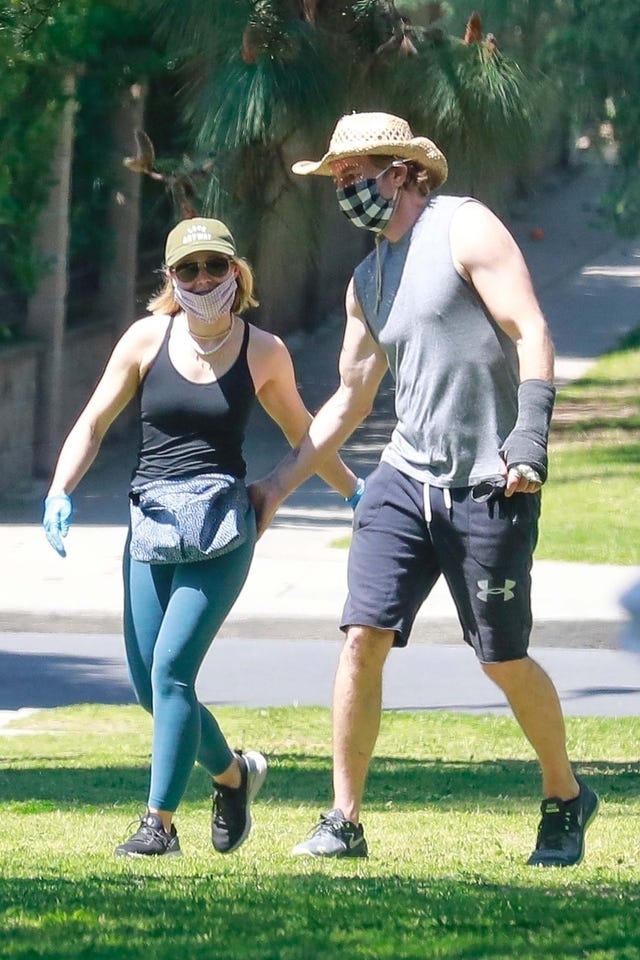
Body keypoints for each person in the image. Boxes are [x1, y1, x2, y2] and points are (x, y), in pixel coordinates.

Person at [249, 112, 599, 867]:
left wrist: (529, 437)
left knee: (502, 660)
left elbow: (531, 330)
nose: (346, 189)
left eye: (357, 173)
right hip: (404, 478)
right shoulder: (367, 279)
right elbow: (349, 399)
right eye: (338, 179)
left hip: (490, 482)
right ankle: (343, 819)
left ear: (402, 171)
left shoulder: (465, 228)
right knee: (360, 639)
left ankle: (566, 795)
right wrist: (278, 485)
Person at [42, 216, 362, 858]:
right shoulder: (145, 339)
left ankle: (158, 825)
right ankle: (234, 775)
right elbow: (94, 420)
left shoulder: (263, 350)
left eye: (214, 267)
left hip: (221, 526)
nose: (202, 279)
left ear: (236, 273)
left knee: (171, 673)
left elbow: (308, 433)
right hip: (150, 525)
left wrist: (356, 492)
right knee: (149, 687)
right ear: (170, 279)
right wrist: (59, 488)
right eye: (188, 270)